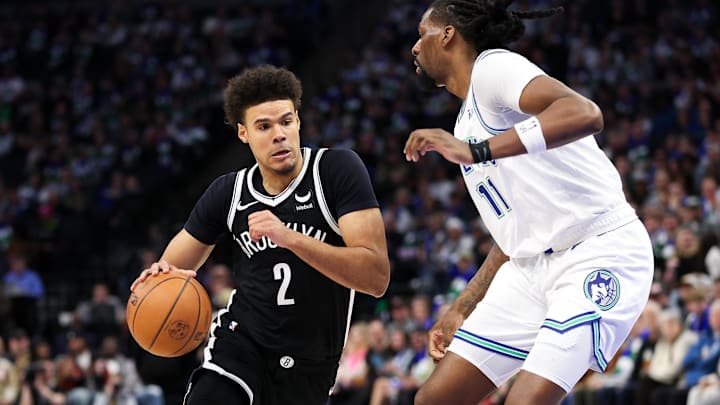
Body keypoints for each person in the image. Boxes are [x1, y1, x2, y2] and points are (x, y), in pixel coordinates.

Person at [403, 1, 654, 404]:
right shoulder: (466, 121)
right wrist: (464, 304)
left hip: (599, 249)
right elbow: (513, 235)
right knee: (434, 399)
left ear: (448, 34)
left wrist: (477, 151)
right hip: (530, 267)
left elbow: (584, 112)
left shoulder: (493, 68)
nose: (415, 47)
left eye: (422, 33)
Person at [130, 64, 390, 405]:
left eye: (285, 121)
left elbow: (376, 277)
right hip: (242, 342)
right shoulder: (230, 192)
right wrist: (157, 277)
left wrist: (291, 238)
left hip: (310, 364)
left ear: (298, 120)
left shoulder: (336, 171)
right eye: (263, 126)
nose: (278, 134)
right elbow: (172, 268)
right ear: (243, 133)